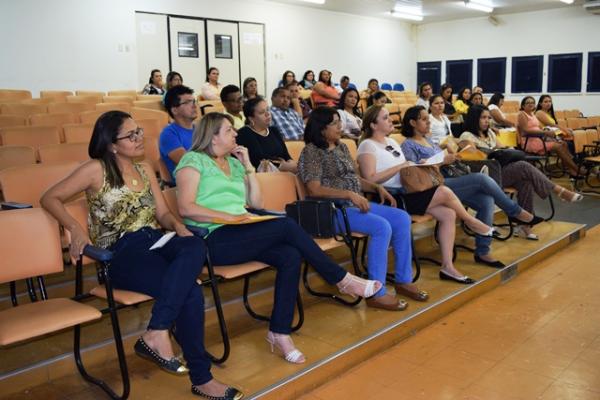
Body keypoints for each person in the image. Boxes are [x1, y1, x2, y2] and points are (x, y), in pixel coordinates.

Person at [40, 111, 243, 400]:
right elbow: (49, 197)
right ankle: (202, 378)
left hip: (155, 240)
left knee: (196, 244)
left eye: (139, 132)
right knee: (191, 293)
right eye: (130, 135)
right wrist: (74, 227)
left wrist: (179, 227)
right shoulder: (95, 169)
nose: (139, 138)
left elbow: (162, 214)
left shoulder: (146, 169)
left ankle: (157, 331)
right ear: (111, 143)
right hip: (121, 253)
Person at [175, 112, 382, 363]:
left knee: (290, 255)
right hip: (212, 238)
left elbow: (256, 203)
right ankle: (341, 279)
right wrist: (227, 218)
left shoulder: (235, 163)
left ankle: (279, 332)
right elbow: (186, 208)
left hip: (242, 230)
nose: (236, 134)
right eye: (230, 130)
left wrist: (249, 168)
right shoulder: (193, 160)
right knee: (286, 226)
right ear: (213, 136)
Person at [297, 107, 426, 309]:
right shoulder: (311, 152)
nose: (341, 126)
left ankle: (403, 280)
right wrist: (348, 194)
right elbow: (314, 189)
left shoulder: (342, 147)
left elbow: (354, 179)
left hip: (354, 205)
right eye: (335, 123)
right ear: (321, 128)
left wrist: (375, 187)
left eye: (340, 121)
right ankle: (376, 292)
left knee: (401, 218)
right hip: (332, 210)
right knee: (381, 227)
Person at [358, 105, 496, 283]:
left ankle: (448, 267)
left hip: (409, 191)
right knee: (444, 191)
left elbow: (406, 172)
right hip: (390, 197)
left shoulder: (391, 142)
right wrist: (401, 166)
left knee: (448, 213)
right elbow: (370, 179)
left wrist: (420, 164)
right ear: (373, 125)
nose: (390, 120)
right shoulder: (367, 145)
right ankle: (472, 221)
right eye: (385, 118)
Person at [400, 106, 543, 269]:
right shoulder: (408, 145)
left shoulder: (429, 139)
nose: (429, 122)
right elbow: (411, 173)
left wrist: (451, 155)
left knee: (486, 199)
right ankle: (515, 212)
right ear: (412, 122)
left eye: (428, 118)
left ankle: (483, 251)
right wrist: (441, 161)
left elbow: (439, 159)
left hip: (447, 179)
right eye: (424, 119)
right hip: (432, 187)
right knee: (481, 179)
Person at [460, 105, 582, 239]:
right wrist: (492, 153)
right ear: (474, 118)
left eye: (488, 118)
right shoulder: (466, 136)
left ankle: (525, 226)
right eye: (483, 117)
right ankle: (558, 190)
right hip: (485, 177)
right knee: (523, 166)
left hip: (500, 170)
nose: (487, 121)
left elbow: (503, 150)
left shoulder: (490, 133)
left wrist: (505, 151)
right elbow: (472, 157)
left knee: (526, 182)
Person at [517, 96, 580, 177]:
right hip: (530, 141)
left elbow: (539, 127)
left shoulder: (532, 114)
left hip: (539, 138)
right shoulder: (522, 114)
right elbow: (525, 131)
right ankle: (576, 169)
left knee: (563, 144)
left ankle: (572, 170)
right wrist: (545, 133)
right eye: (528, 103)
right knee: (559, 147)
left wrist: (546, 131)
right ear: (523, 106)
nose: (530, 104)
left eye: (532, 102)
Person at [237, 97, 297, 172]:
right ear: (251, 119)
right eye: (262, 112)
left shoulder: (274, 130)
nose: (268, 114)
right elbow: (259, 159)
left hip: (285, 172)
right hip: (263, 177)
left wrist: (291, 163)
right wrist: (283, 166)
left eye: (268, 109)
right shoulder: (245, 133)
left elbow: (286, 155)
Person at [160, 85, 197, 183]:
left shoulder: (199, 129)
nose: (194, 105)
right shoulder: (168, 134)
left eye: (194, 101)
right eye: (187, 102)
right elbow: (188, 163)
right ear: (174, 110)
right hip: (188, 186)